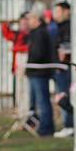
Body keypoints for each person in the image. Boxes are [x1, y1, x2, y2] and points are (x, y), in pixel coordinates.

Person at [24, 9, 55, 137]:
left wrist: (30, 63)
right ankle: (39, 125)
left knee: (42, 101)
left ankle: (46, 128)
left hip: (39, 72)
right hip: (35, 72)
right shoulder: (35, 33)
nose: (28, 22)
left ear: (37, 20)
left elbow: (38, 53)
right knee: (38, 102)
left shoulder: (40, 33)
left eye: (30, 19)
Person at [0, 12, 32, 119]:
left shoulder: (31, 35)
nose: (22, 24)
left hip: (27, 66)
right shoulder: (18, 34)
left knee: (26, 89)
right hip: (18, 66)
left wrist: (15, 49)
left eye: (25, 22)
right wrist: (6, 24)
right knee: (18, 90)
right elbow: (7, 34)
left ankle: (26, 112)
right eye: (21, 22)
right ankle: (19, 111)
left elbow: (29, 48)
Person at [52, 1, 74, 138]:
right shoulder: (57, 27)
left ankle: (70, 125)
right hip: (59, 68)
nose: (56, 15)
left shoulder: (69, 27)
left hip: (66, 68)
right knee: (61, 97)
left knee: (66, 96)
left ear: (67, 11)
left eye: (58, 11)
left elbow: (67, 48)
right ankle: (67, 124)